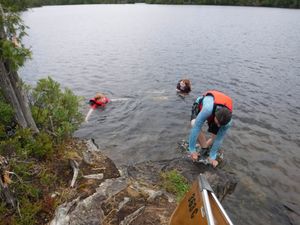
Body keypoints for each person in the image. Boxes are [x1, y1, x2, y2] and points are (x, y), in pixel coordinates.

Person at [188, 90, 233, 167]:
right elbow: (196, 128)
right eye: (218, 123)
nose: (218, 126)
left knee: (215, 137)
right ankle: (204, 148)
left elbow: (219, 139)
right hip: (201, 105)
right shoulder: (207, 109)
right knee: (194, 123)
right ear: (215, 116)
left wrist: (212, 157)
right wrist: (192, 150)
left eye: (221, 124)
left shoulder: (228, 123)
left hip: (219, 116)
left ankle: (204, 148)